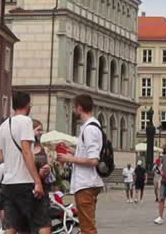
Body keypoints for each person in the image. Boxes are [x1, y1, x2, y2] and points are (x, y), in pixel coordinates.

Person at [0, 91, 50, 234]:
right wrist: (37, 181)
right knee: (43, 224)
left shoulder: (3, 125)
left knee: (13, 227)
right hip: (25, 182)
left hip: (8, 184)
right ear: (28, 105)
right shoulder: (26, 121)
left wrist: (13, 159)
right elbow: (26, 151)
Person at [54, 94, 104, 234]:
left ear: (80, 108)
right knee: (86, 226)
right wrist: (72, 150)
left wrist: (69, 159)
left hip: (86, 184)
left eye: (75, 108)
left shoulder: (90, 129)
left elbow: (93, 160)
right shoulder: (90, 127)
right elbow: (88, 153)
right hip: (86, 183)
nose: (74, 111)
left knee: (87, 228)